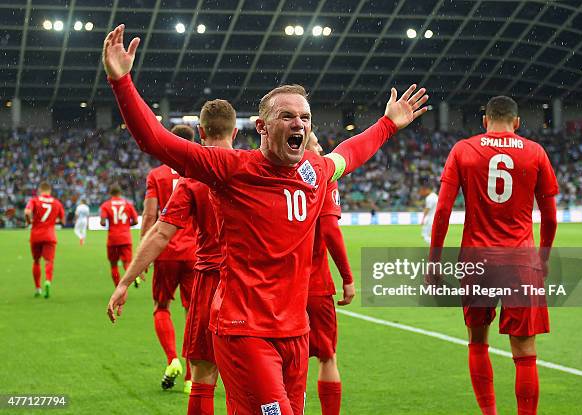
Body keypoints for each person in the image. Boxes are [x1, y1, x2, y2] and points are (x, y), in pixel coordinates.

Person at [104, 23, 428, 414]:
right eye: (286, 116)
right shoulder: (231, 169)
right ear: (261, 127)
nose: (299, 124)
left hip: (295, 332)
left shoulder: (315, 171)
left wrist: (388, 124)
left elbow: (351, 152)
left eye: (305, 117)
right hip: (245, 331)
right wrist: (122, 82)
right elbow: (156, 140)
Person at [428, 96, 558, 415]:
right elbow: (551, 217)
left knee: (477, 342)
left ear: (485, 121)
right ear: (516, 122)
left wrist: (433, 262)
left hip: (477, 260)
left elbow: (443, 211)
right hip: (520, 260)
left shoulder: (463, 149)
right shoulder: (535, 152)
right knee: (525, 352)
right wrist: (542, 257)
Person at [108, 98, 237, 415]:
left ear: (201, 132)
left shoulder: (184, 178)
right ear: (235, 132)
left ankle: (174, 361)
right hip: (249, 283)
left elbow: (156, 227)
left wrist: (128, 279)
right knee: (249, 376)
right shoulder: (253, 167)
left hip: (200, 270)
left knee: (202, 372)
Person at [142, 124, 198, 392]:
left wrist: (144, 253)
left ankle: (172, 358)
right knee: (192, 314)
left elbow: (149, 217)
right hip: (195, 253)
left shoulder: (157, 175)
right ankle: (190, 378)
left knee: (161, 306)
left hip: (165, 252)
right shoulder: (199, 173)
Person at [305, 132, 355, 415]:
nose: (321, 147)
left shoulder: (276, 175)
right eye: (315, 141)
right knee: (327, 357)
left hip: (279, 286)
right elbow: (330, 230)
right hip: (315, 284)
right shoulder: (323, 173)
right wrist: (347, 277)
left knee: (290, 360)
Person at [25, 181, 65, 298]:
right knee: (49, 261)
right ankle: (47, 281)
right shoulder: (56, 203)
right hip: (49, 235)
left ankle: (38, 288)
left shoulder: (34, 200)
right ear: (50, 191)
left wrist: (29, 221)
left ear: (40, 190)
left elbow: (27, 212)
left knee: (36, 261)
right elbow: (62, 221)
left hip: (36, 235)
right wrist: (53, 221)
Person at [100, 184, 139, 287]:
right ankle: (134, 277)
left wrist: (111, 224)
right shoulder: (127, 204)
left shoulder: (106, 205)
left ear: (110, 193)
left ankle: (118, 286)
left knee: (114, 265)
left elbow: (102, 222)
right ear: (120, 193)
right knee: (127, 263)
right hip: (126, 238)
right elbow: (135, 221)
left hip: (113, 238)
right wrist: (126, 225)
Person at [419, 180, 438, 245]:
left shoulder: (429, 198)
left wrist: (423, 219)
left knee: (425, 236)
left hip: (430, 218)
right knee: (427, 235)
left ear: (427, 189)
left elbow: (427, 209)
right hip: (435, 217)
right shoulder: (435, 196)